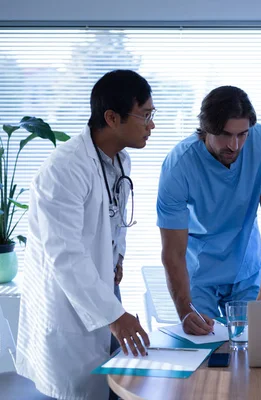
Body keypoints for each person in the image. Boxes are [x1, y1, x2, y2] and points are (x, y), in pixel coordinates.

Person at [16, 70, 152, 400]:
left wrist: (117, 257)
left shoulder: (121, 160)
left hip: (104, 287)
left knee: (116, 385)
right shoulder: (64, 168)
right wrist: (115, 316)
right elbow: (65, 255)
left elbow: (114, 220)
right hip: (69, 303)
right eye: (145, 115)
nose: (151, 125)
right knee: (78, 390)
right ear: (112, 117)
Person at [157, 86, 261, 335]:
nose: (235, 145)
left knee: (254, 347)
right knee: (203, 350)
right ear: (206, 129)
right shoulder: (179, 166)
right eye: (226, 135)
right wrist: (185, 309)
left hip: (247, 269)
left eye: (242, 134)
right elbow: (172, 251)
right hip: (199, 274)